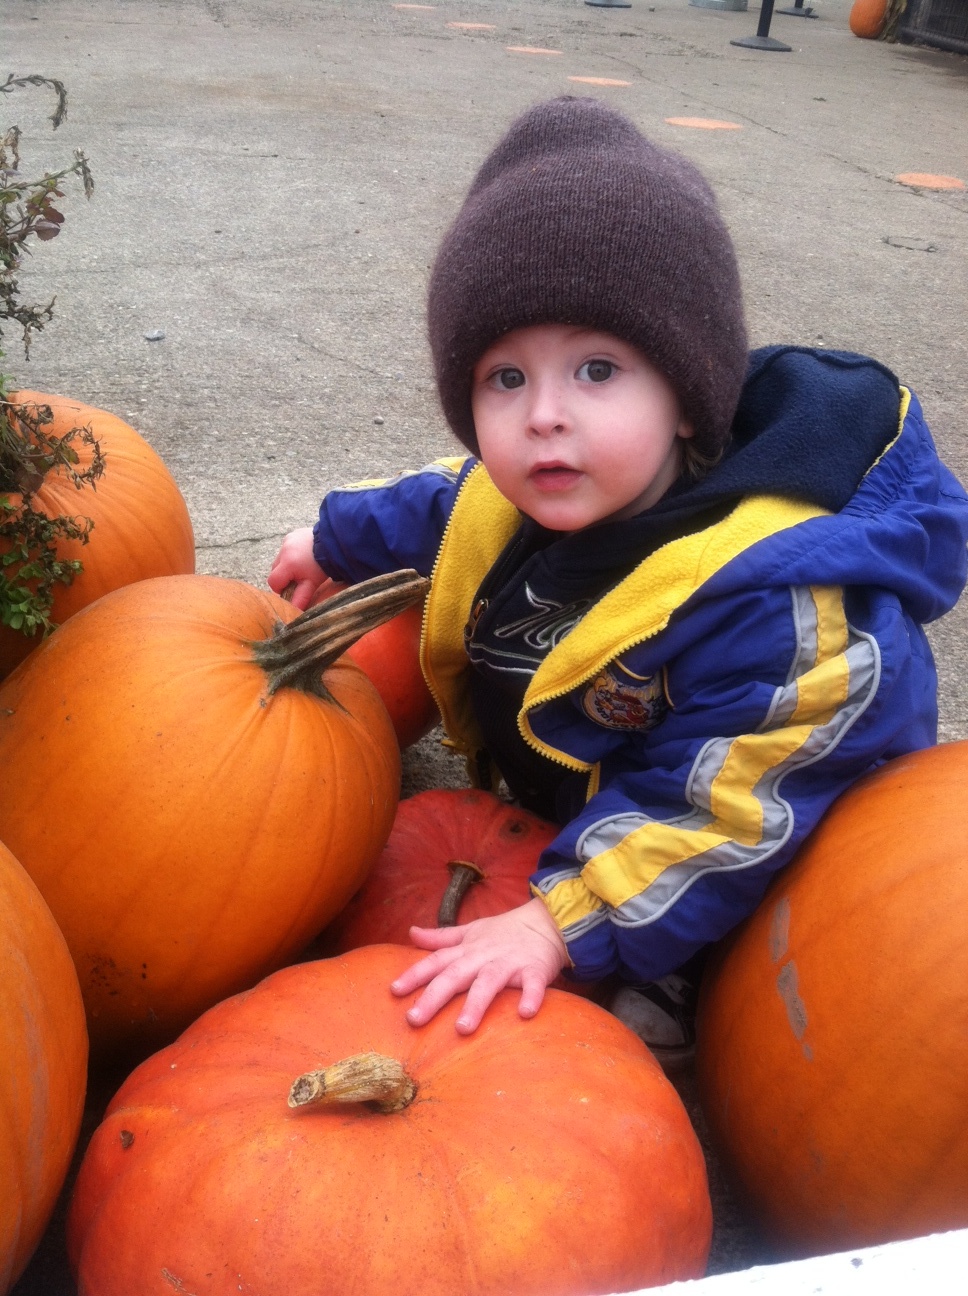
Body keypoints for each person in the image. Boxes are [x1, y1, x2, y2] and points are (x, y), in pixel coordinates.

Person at [269, 96, 968, 1066]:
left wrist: (554, 924)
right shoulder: (535, 482)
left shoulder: (772, 611)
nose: (543, 415)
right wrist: (332, 536)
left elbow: (721, 805)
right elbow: (442, 506)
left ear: (686, 396)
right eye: (503, 379)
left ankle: (679, 974)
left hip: (762, 806)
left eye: (596, 369)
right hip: (620, 775)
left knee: (679, 951)